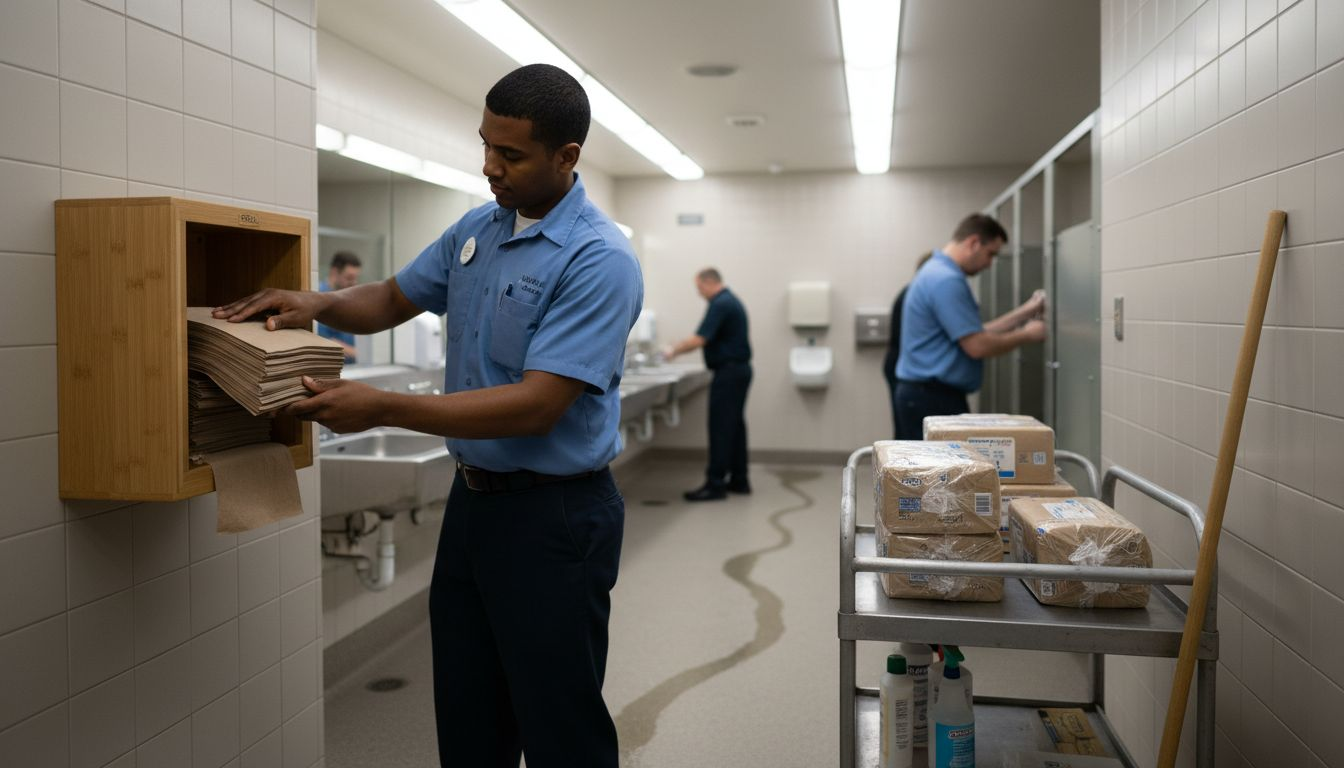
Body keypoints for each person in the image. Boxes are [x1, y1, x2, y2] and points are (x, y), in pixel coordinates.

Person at [212, 63, 642, 768]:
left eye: (510, 154)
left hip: (556, 518)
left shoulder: (598, 259)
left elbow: (538, 405)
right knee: (470, 715)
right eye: (485, 145)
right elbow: (388, 299)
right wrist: (317, 304)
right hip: (474, 508)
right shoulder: (479, 230)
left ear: (567, 157)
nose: (489, 167)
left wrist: (383, 406)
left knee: (559, 722)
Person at [894, 213, 1047, 440]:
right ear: (973, 243)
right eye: (990, 254)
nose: (989, 264)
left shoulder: (935, 271)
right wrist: (1027, 334)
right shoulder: (946, 280)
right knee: (939, 473)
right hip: (933, 397)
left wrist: (1025, 312)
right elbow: (977, 345)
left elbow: (973, 331)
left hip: (926, 394)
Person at [663, 268, 752, 501]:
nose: (699, 293)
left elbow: (699, 339)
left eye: (699, 288)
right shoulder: (730, 301)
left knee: (721, 427)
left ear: (708, 282)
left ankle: (715, 485)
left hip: (729, 372)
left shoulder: (720, 303)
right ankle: (739, 480)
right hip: (738, 370)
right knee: (734, 427)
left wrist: (672, 351)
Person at [882, 252, 933, 438]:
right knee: (908, 432)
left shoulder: (910, 292)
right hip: (902, 366)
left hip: (898, 362)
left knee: (905, 426)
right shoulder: (916, 295)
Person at [317, 251, 362, 362]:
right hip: (332, 368)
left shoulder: (349, 297)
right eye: (349, 278)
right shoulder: (318, 297)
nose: (354, 283)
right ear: (334, 272)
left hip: (354, 368)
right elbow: (322, 340)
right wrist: (359, 354)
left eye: (356, 278)